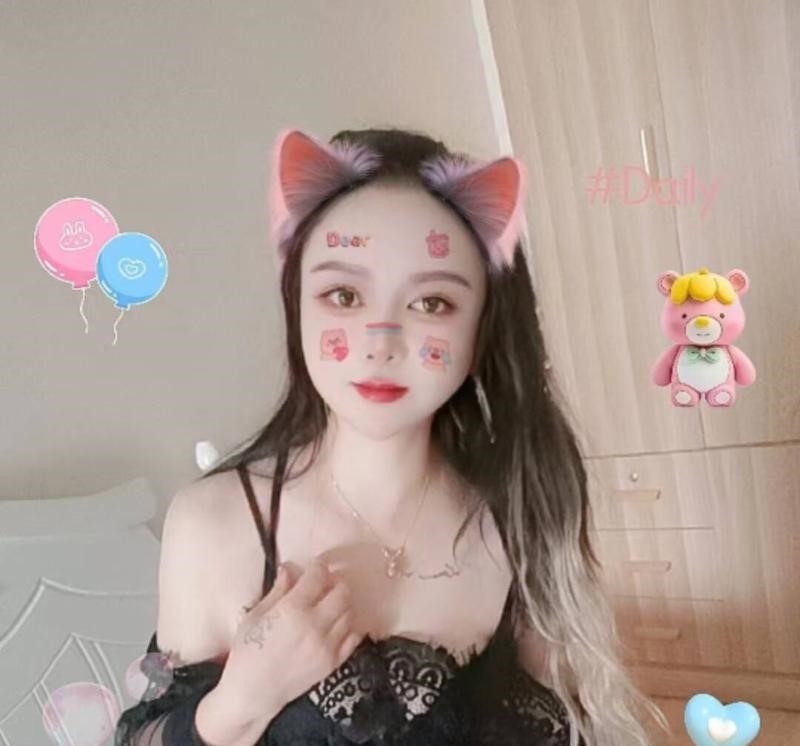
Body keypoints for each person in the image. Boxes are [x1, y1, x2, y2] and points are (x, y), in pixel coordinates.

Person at [115, 128, 671, 746]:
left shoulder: (520, 516)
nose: (381, 343)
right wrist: (241, 703)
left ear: (481, 326)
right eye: (344, 294)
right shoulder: (214, 523)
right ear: (298, 305)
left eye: (432, 303)